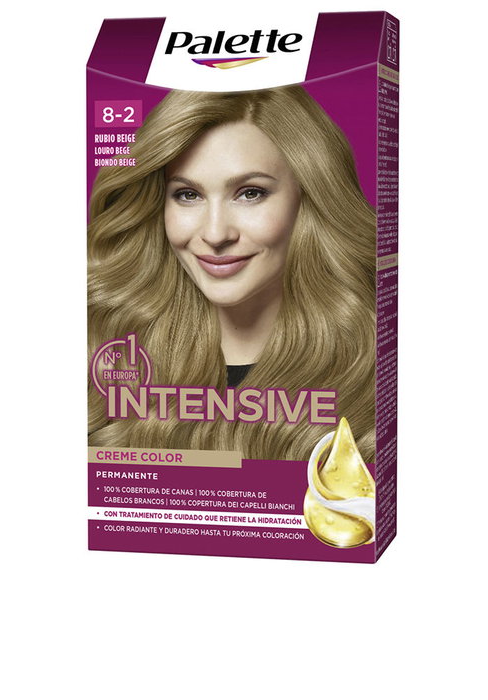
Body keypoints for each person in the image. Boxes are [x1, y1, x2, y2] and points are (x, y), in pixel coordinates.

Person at [88, 86, 376, 462]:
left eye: (250, 193)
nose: (215, 233)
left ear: (309, 197)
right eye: (187, 195)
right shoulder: (114, 364)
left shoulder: (372, 375)